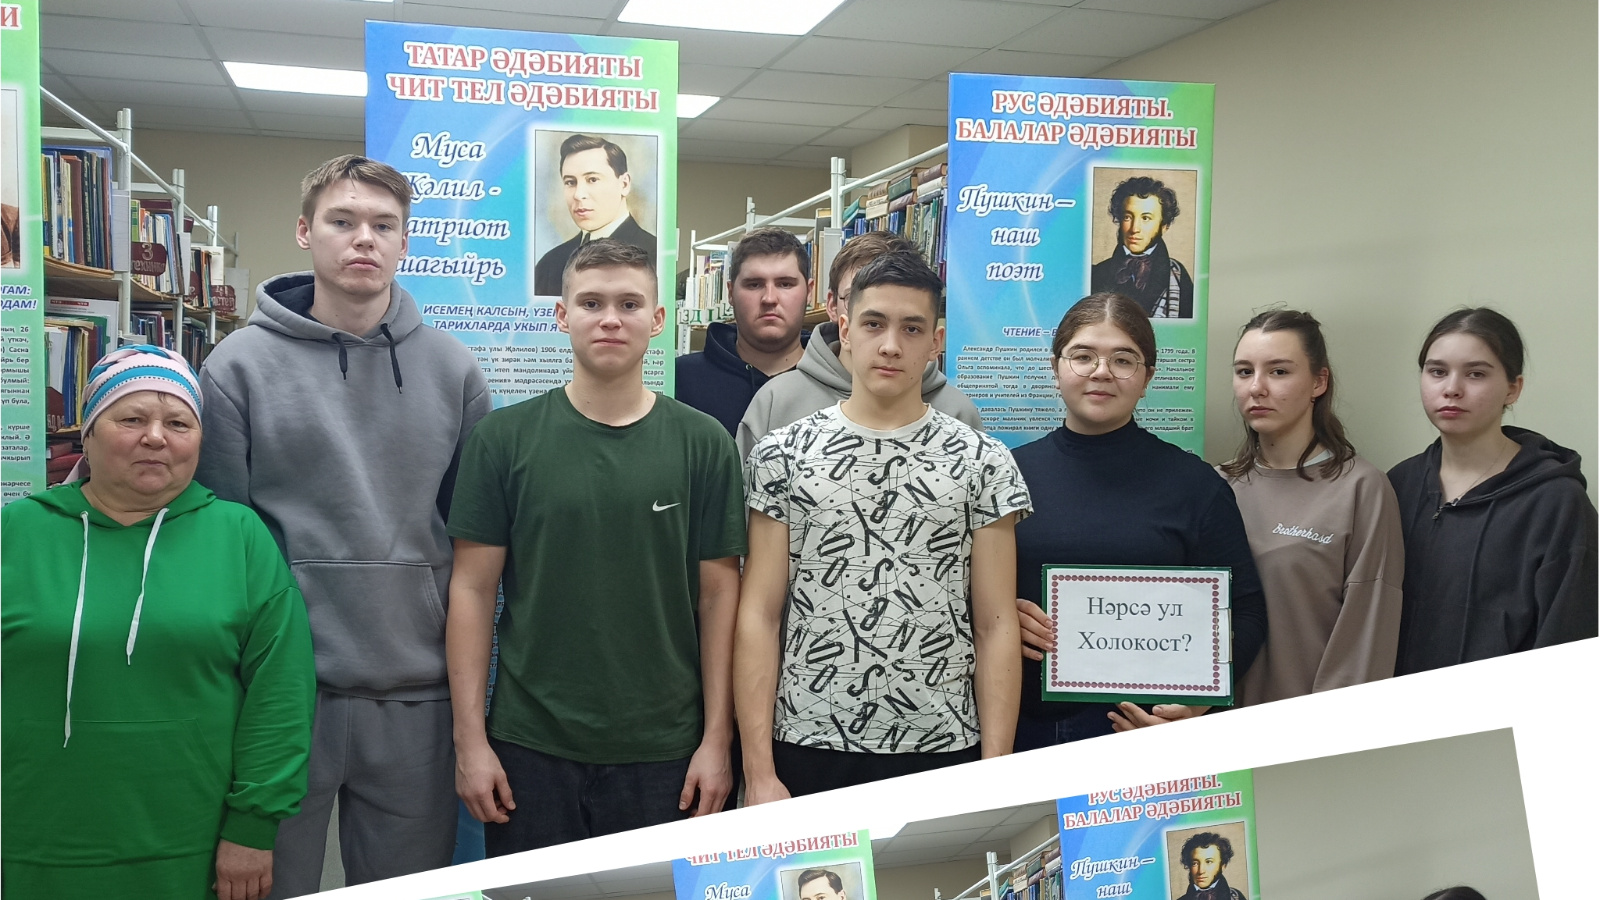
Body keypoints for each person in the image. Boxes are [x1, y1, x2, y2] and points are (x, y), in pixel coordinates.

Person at [195, 154, 491, 895]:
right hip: (281, 693)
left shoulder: (454, 369)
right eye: (342, 220)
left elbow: (473, 541)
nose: (364, 238)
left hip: (417, 690)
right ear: (305, 232)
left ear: (405, 243)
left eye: (383, 225)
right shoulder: (236, 366)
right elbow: (224, 540)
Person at [446, 239, 745, 854]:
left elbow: (720, 599)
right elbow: (472, 591)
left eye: (629, 304)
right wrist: (470, 742)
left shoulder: (704, 444)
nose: (610, 318)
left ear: (657, 320)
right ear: (562, 316)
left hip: (666, 750)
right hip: (529, 745)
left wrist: (717, 740)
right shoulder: (502, 440)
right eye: (591, 303)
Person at [2, 346, 315, 900]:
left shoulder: (239, 536)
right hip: (31, 839)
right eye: (131, 418)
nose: (155, 437)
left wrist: (254, 825)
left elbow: (280, 694)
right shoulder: (18, 533)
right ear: (88, 434)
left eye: (178, 423)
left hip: (192, 843)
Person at [737, 249, 1028, 802]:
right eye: (874, 323)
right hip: (807, 740)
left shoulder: (983, 461)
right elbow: (759, 614)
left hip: (943, 742)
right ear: (845, 329)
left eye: (911, 328)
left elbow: (995, 626)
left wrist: (996, 772)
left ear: (935, 342)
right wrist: (758, 771)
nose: (891, 345)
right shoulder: (782, 455)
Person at [1011, 293, 1266, 748]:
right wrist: (996, 619)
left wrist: (1198, 704)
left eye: (1123, 360)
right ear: (1056, 368)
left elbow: (1245, 611)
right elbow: (958, 596)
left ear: (1147, 377)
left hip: (1144, 730)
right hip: (1023, 727)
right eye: (1083, 356)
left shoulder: (1194, 485)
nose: (1101, 372)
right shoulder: (1006, 475)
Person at [1388, 308, 1596, 675]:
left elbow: (1570, 638)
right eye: (1437, 371)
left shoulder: (1556, 501)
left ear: (1513, 388)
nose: (1452, 388)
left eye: (1476, 374)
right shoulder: (1398, 485)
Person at [1219, 309, 1405, 705]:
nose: (1257, 387)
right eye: (1244, 371)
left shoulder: (1361, 489)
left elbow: (1366, 638)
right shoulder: (1215, 487)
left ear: (1318, 382)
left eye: (1279, 371)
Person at [738, 230, 981, 459]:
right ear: (832, 306)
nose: (889, 345)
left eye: (910, 327)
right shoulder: (776, 401)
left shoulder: (957, 410)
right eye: (855, 296)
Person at [677, 226, 812, 435]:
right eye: (754, 285)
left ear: (809, 292)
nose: (769, 298)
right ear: (730, 293)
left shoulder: (841, 385)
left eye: (785, 284)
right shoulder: (679, 380)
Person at [533, 134, 657, 296]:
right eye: (570, 182)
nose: (579, 194)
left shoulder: (655, 256)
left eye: (592, 179)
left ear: (624, 184)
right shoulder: (550, 264)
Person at [1089, 176, 1193, 318]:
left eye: (1145, 218)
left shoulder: (1177, 276)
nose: (1134, 228)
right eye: (1127, 217)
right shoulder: (1097, 273)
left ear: (1164, 226)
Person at [1175, 833, 1246, 900]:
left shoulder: (1236, 897)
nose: (1201, 871)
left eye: (1209, 862)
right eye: (1195, 863)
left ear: (1223, 865)